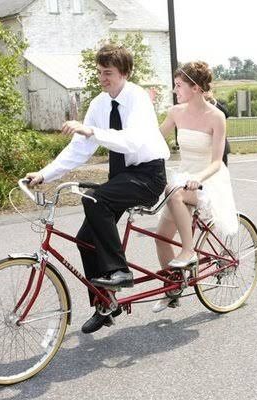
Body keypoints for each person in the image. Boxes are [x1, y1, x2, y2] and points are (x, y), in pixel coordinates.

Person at [26, 44, 170, 332]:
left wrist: (92, 131)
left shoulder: (138, 98)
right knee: (85, 239)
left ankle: (120, 271)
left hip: (147, 175)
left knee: (94, 199)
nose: (103, 79)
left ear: (124, 73)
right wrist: (44, 174)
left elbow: (131, 141)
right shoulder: (99, 104)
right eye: (100, 72)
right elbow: (78, 150)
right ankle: (105, 305)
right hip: (121, 178)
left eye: (109, 73)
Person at [152, 61, 238, 313]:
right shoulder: (175, 112)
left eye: (180, 85)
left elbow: (216, 161)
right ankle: (173, 288)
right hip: (184, 178)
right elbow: (155, 140)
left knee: (173, 191)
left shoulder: (216, 117)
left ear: (196, 88)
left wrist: (199, 178)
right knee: (161, 239)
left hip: (208, 179)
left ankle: (189, 251)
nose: (175, 90)